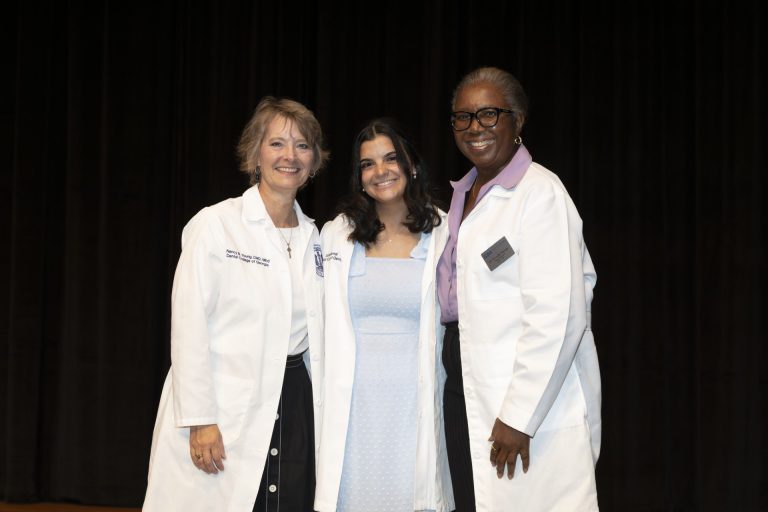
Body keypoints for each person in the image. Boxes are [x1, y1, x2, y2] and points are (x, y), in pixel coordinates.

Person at [143, 97, 329, 512]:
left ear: (314, 161)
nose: (290, 156)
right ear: (255, 153)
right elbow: (188, 326)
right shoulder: (216, 225)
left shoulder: (319, 239)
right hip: (220, 410)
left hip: (293, 402)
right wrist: (201, 420)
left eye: (302, 146)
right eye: (276, 143)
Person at [436, 66, 602, 511]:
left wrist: (519, 416)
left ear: (518, 121)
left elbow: (558, 315)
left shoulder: (540, 194)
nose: (475, 128)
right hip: (465, 396)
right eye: (463, 117)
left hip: (523, 413)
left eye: (489, 115)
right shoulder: (462, 196)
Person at [314, 119, 454, 512]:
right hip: (353, 407)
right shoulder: (336, 234)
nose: (381, 171)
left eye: (391, 158)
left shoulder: (443, 232)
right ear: (359, 177)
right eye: (368, 164)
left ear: (411, 164)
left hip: (416, 403)